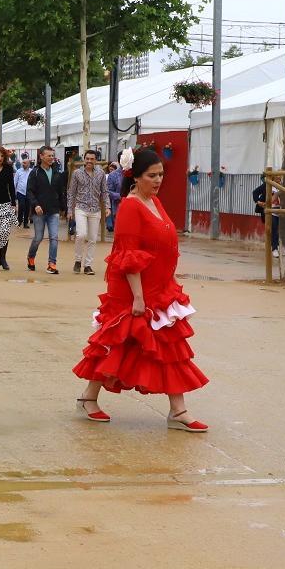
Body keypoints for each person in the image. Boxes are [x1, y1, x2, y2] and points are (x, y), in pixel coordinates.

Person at [72, 148, 209, 432]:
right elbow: (127, 254)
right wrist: (138, 296)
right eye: (152, 175)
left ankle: (178, 410)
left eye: (161, 174)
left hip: (161, 288)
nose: (158, 180)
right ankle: (88, 398)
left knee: (170, 348)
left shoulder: (154, 202)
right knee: (115, 343)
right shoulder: (131, 206)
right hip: (137, 291)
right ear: (136, 176)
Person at [67, 150, 111, 275]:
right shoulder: (77, 173)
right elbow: (71, 192)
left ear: (96, 160)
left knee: (92, 239)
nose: (89, 161)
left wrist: (107, 207)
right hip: (80, 208)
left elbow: (104, 191)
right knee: (81, 234)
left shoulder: (101, 173)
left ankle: (88, 265)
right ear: (84, 159)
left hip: (95, 209)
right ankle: (78, 260)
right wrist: (70, 210)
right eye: (87, 158)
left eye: (92, 159)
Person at [26, 146, 66, 274]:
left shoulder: (56, 173)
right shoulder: (35, 172)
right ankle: (31, 257)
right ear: (41, 157)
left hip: (53, 210)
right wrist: (35, 205)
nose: (51, 158)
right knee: (38, 237)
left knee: (54, 237)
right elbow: (30, 191)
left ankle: (52, 263)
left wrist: (63, 207)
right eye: (48, 155)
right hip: (39, 211)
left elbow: (61, 192)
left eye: (52, 156)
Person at [14, 155, 33, 229]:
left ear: (28, 164)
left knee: (27, 207)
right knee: (21, 205)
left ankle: (25, 223)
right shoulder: (18, 171)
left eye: (25, 163)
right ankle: (19, 221)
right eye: (23, 163)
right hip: (20, 192)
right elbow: (15, 182)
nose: (23, 164)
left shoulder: (32, 171)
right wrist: (14, 192)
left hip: (28, 192)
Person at [105, 161, 122, 234]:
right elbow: (108, 191)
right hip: (117, 205)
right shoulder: (112, 175)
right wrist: (120, 196)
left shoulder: (137, 174)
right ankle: (109, 226)